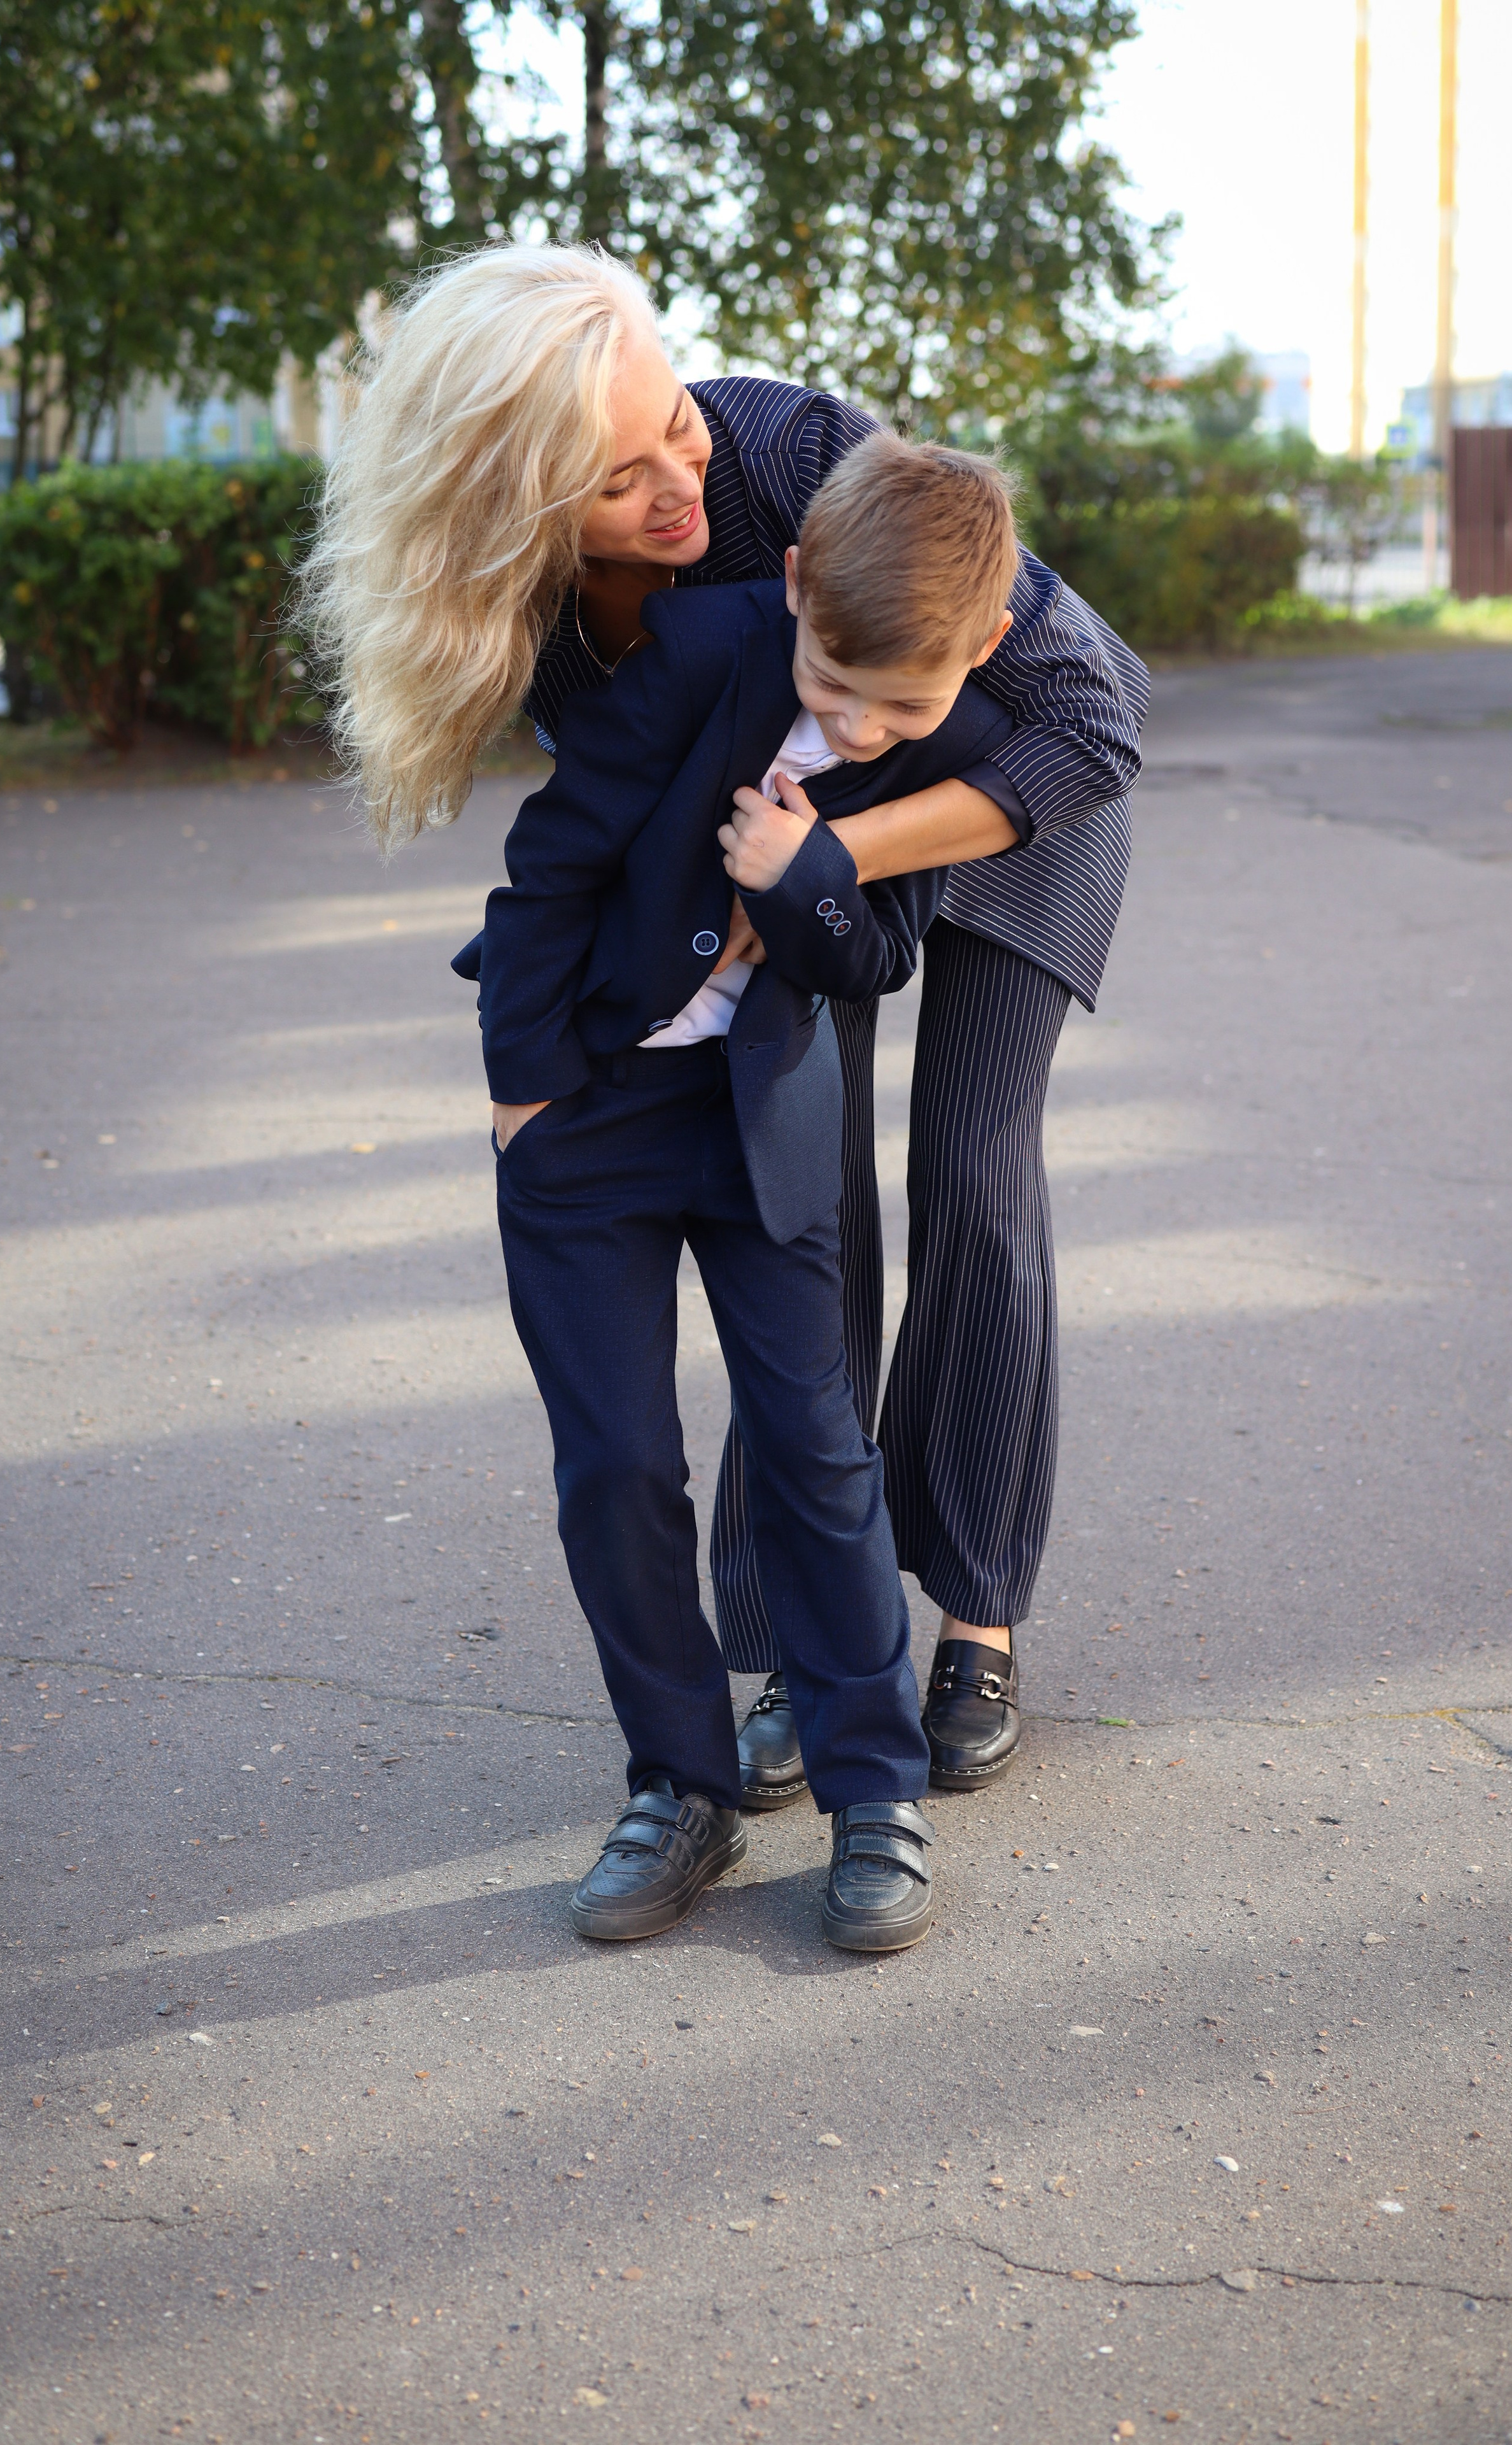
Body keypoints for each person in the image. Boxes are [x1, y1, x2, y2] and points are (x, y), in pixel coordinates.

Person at [304, 243, 1147, 1806]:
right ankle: (797, 1653)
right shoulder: (539, 612)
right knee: (799, 1192)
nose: (679, 481)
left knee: (970, 1176)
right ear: (513, 500)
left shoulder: (793, 452)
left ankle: (974, 1619)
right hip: (783, 850)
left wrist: (832, 856)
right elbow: (616, 824)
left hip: (1008, 799)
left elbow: (1095, 721)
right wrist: (546, 1065)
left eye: (673, 428)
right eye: (619, 476)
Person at [449, 434, 1023, 1948]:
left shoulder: (952, 743)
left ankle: (873, 1792)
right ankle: (679, 1787)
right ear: (792, 586)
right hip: (588, 1113)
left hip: (760, 1127)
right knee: (616, 1469)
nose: (854, 723)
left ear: (981, 650)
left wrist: (806, 868)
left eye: (897, 708)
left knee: (816, 1457)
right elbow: (549, 866)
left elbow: (877, 954)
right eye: (830, 683)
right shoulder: (700, 649)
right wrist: (521, 1093)